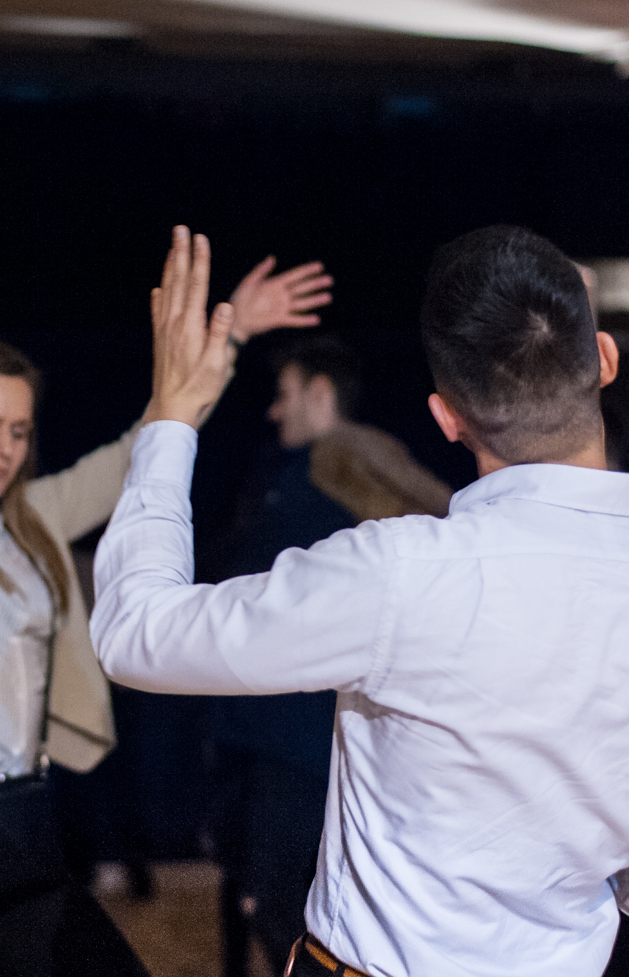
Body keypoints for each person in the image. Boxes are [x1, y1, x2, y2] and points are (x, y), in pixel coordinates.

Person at [94, 225, 629, 976]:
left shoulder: (399, 573)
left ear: (446, 416)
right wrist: (565, 866)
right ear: (605, 361)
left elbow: (136, 632)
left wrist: (170, 417)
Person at [0, 121, 327, 977]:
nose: (4, 447)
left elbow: (142, 447)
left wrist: (228, 337)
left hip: (20, 813)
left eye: (18, 430)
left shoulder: (36, 517)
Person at [204, 335, 448, 977]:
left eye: (283, 394)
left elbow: (439, 520)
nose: (273, 411)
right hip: (283, 734)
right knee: (268, 904)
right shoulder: (303, 465)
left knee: (291, 914)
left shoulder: (344, 453)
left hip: (303, 744)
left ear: (319, 392)